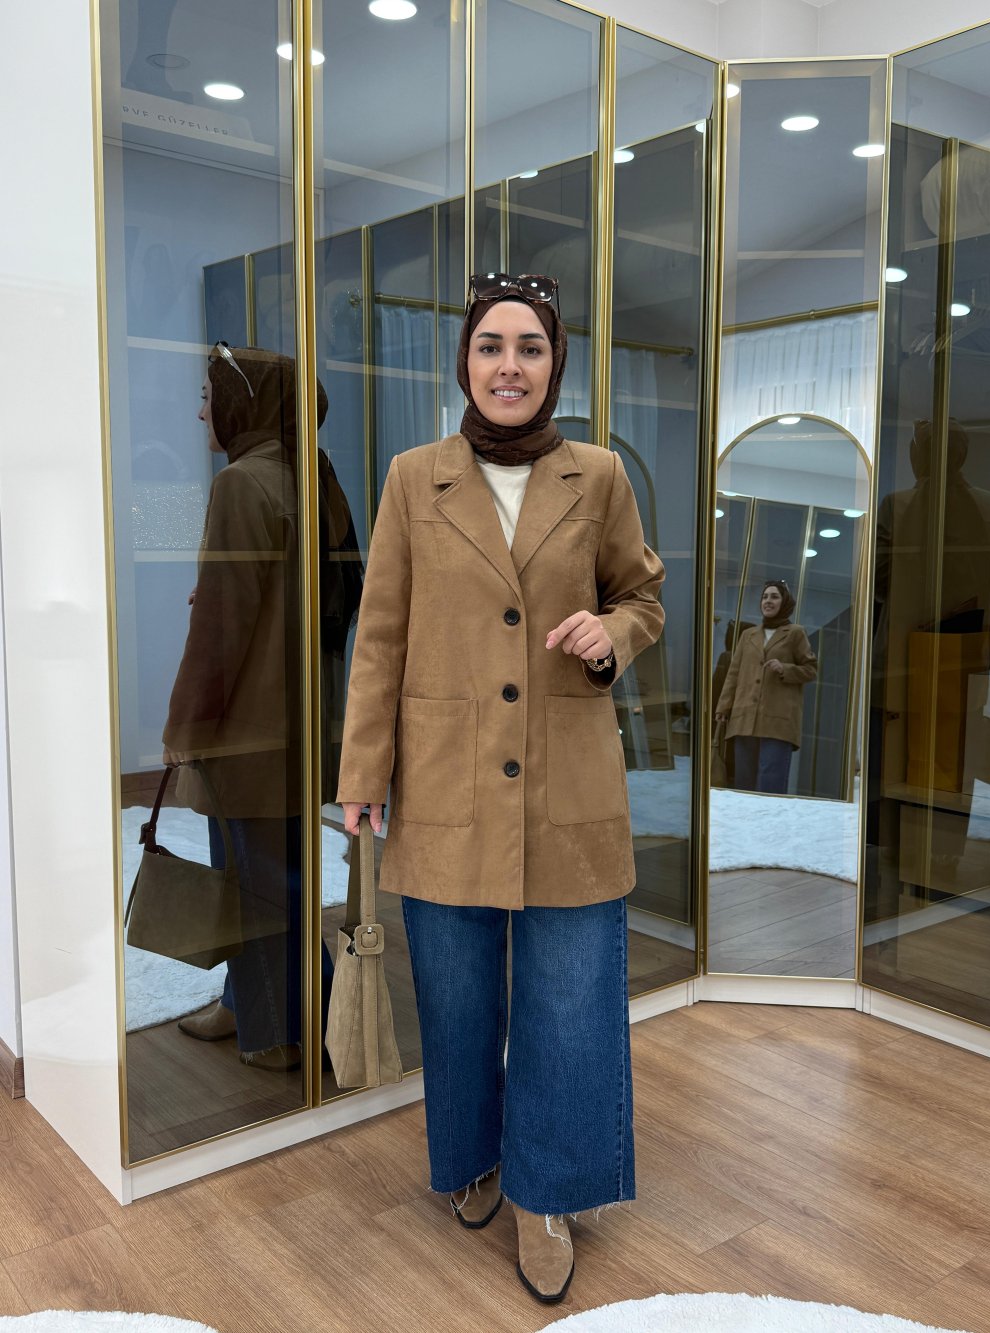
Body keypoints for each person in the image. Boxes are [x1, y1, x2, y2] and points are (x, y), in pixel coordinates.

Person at [335, 273, 665, 1305]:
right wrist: (362, 772)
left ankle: (546, 1192)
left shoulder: (598, 474)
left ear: (555, 363)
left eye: (530, 347)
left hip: (569, 778)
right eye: (491, 346)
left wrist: (610, 634)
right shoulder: (412, 478)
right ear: (465, 361)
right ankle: (474, 1156)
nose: (509, 366)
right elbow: (379, 634)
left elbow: (642, 595)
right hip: (445, 774)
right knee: (457, 995)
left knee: (568, 1003)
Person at [164, 344, 362, 1070]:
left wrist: (184, 726)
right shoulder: (312, 472)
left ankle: (284, 1031)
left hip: (250, 726)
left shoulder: (241, 483)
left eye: (208, 396)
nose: (201, 413)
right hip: (303, 715)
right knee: (267, 876)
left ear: (242, 404)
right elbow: (335, 594)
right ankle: (246, 1002)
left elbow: (221, 629)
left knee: (256, 885)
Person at [714, 579, 817, 795]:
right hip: (744, 718)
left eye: (774, 597)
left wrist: (784, 668)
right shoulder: (748, 635)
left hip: (778, 721)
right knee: (743, 785)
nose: (768, 601)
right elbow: (733, 674)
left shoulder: (795, 633)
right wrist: (724, 707)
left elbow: (811, 670)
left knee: (771, 784)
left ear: (785, 602)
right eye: (765, 597)